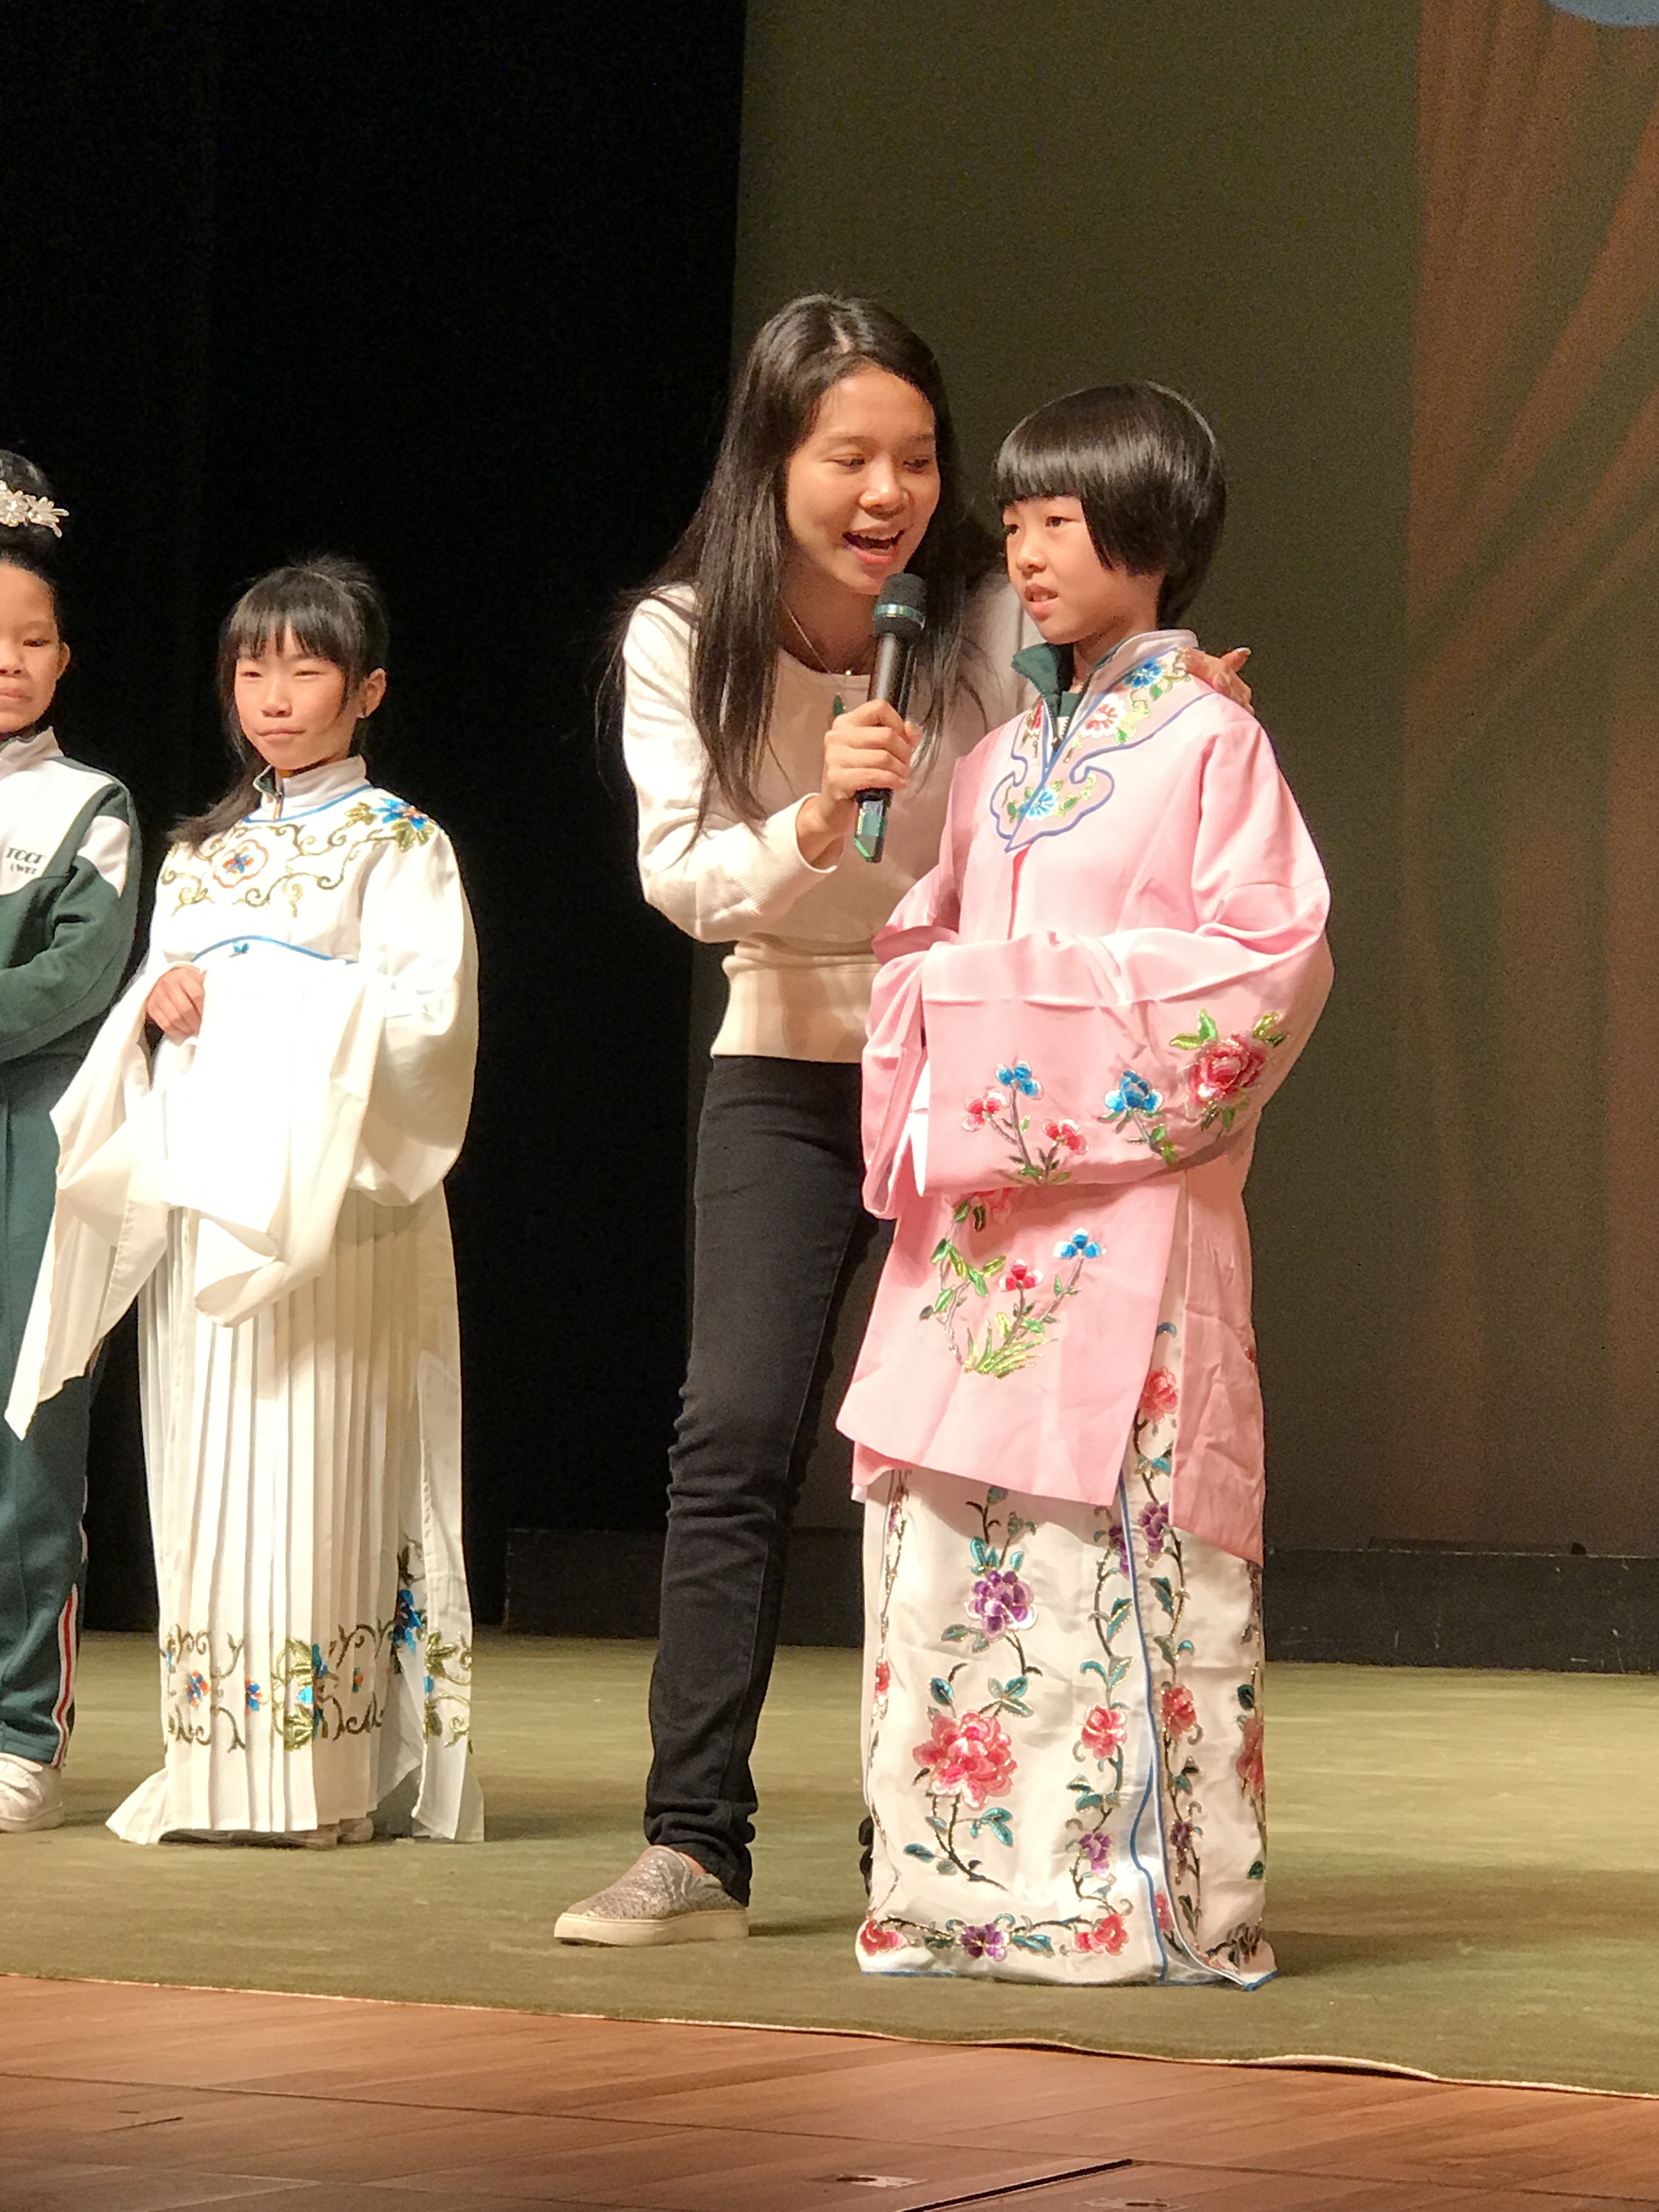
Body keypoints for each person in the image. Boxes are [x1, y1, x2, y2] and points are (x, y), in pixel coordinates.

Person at [556, 298, 1250, 1945]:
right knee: (734, 1432)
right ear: (769, 463)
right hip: (791, 1054)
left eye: (920, 460)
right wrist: (813, 816)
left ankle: (933, 1844)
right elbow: (682, 879)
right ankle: (693, 1842)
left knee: (948, 1457)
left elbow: (1089, 771)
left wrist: (1168, 709)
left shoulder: (993, 616)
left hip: (978, 1082)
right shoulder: (682, 635)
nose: (891, 496)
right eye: (850, 459)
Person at [840, 383, 1331, 1985]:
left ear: (1151, 535)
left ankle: (1127, 1900)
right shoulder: (998, 762)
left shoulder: (1212, 741)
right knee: (957, 1554)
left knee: (1107, 1550)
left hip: (1125, 1221)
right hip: (983, 1236)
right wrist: (948, 999)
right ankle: (960, 1890)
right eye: (1018, 523)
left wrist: (1007, 1009)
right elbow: (917, 946)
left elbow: (1265, 966)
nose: (1028, 554)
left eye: (1061, 520)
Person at [7, 557, 481, 1847]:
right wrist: (156, 1011)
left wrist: (257, 995)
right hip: (209, 1198)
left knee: (320, 1472)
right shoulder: (200, 853)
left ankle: (322, 1781)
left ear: (366, 689)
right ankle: (217, 1769)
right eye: (252, 669)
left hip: (334, 1211)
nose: (274, 696)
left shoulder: (402, 844)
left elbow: (426, 1027)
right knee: (208, 1474)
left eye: (307, 668)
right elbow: (148, 1015)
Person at [0, 454, 139, 1835]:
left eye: (32, 641)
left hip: (33, 1139)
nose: (8, 661)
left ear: (64, 660)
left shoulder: (90, 807)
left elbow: (77, 975)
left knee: (29, 1429)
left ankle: (18, 1728)